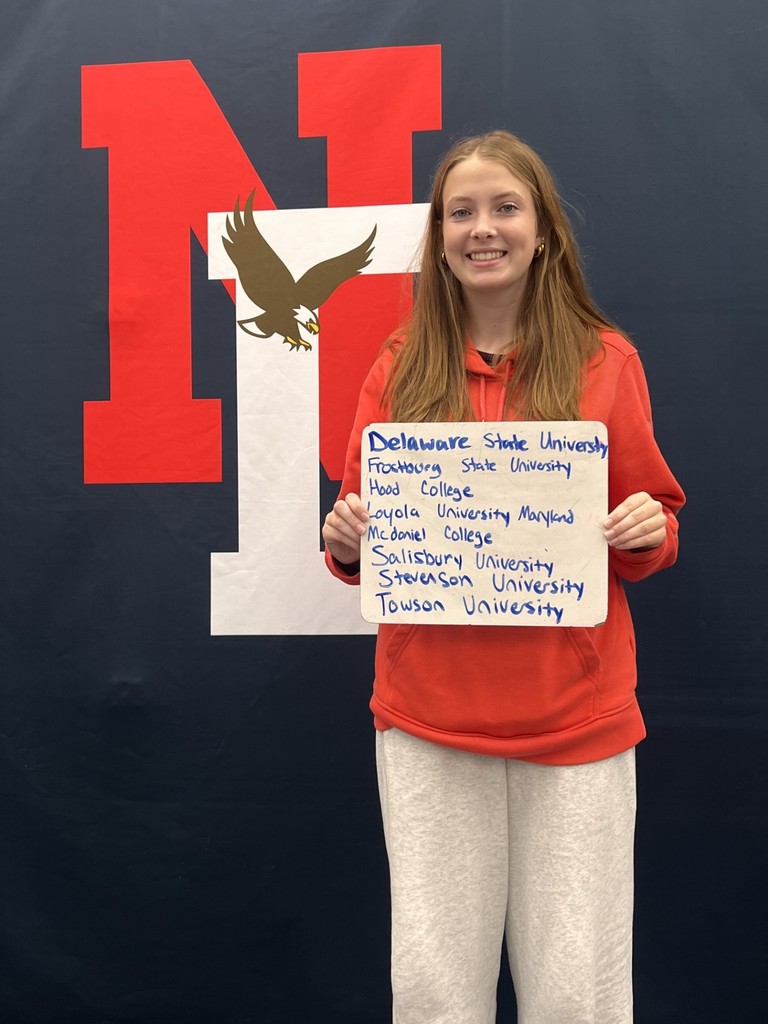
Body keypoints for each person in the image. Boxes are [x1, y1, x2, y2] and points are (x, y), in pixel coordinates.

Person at [322, 130, 684, 1024]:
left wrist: (647, 530)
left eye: (505, 207)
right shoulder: (399, 367)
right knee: (435, 993)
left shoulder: (606, 361)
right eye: (462, 212)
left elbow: (654, 519)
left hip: (577, 723)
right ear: (440, 239)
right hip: (429, 723)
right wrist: (347, 539)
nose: (483, 228)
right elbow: (359, 536)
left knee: (576, 995)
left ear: (544, 231)